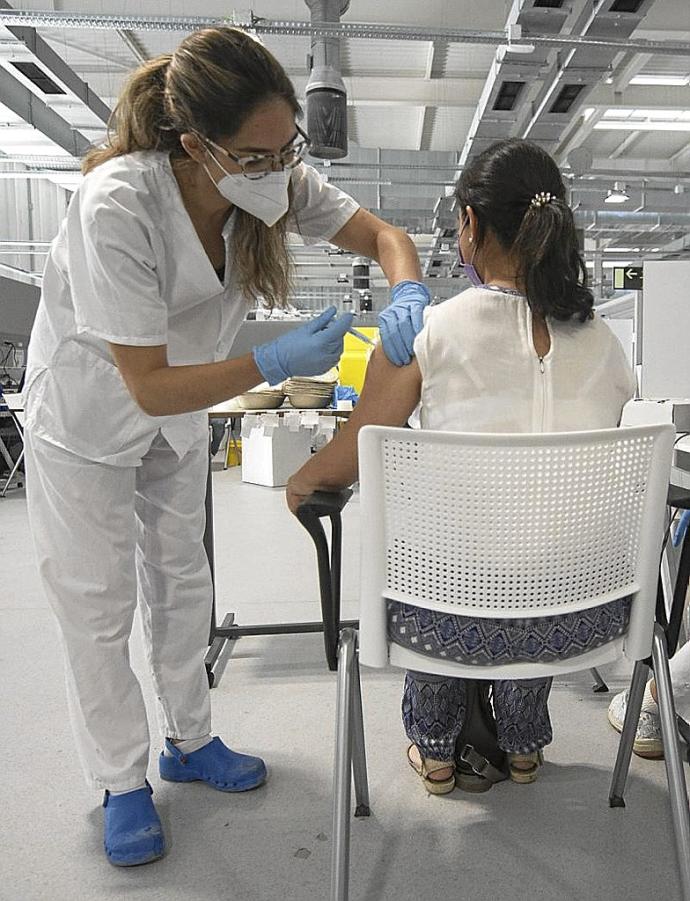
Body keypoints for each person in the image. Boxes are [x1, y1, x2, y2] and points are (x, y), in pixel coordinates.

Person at [23, 27, 430, 867]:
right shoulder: (118, 205)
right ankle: (120, 780)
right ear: (194, 144)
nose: (279, 170)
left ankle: (189, 738)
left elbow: (387, 237)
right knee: (97, 607)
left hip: (177, 416)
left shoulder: (270, 178)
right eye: (256, 154)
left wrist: (410, 286)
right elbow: (148, 382)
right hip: (91, 414)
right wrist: (275, 359)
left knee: (181, 578)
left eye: (289, 148)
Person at [287, 138, 636, 794]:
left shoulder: (428, 335)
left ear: (471, 225)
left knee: (446, 563)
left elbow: (346, 462)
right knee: (541, 549)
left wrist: (302, 482)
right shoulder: (606, 344)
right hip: (581, 619)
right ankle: (524, 745)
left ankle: (437, 749)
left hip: (444, 616)